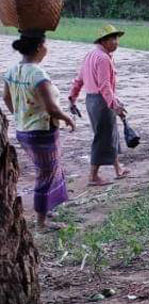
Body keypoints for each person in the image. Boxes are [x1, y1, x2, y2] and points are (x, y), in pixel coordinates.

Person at [4, 31, 75, 231]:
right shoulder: (38, 75)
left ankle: (46, 209)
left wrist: (20, 115)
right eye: (45, 44)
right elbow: (52, 109)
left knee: (46, 169)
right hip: (42, 132)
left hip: (23, 130)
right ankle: (41, 222)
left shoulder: (12, 71)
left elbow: (6, 98)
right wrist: (68, 118)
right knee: (46, 174)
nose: (47, 48)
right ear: (38, 48)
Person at [69, 24, 129, 187]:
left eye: (116, 38)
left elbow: (79, 79)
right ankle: (93, 176)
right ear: (103, 41)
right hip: (101, 101)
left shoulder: (91, 55)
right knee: (103, 137)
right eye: (112, 39)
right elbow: (104, 85)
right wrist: (113, 104)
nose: (116, 42)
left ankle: (118, 168)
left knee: (110, 133)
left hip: (92, 100)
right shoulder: (103, 58)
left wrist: (72, 97)